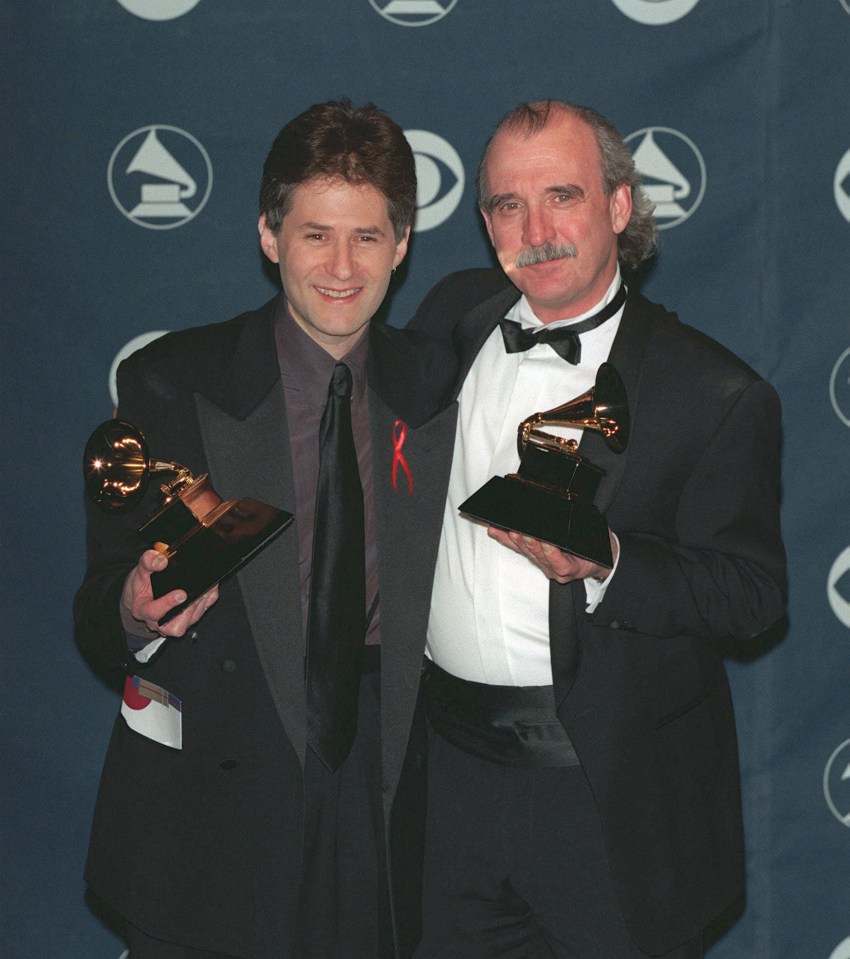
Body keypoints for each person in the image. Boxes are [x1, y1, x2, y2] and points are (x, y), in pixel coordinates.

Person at [74, 99, 454, 959]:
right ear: (268, 234)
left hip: (384, 792)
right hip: (213, 805)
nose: (342, 266)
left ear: (402, 244)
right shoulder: (170, 383)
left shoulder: (439, 386)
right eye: (316, 234)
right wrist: (136, 609)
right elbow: (98, 602)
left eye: (368, 236)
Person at [408, 100, 787, 958]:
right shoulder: (451, 318)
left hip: (608, 786)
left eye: (562, 196)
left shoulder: (716, 393)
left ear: (619, 207)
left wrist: (611, 561)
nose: (535, 228)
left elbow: (754, 593)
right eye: (507, 204)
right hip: (448, 773)